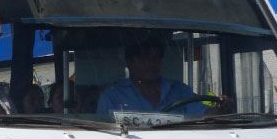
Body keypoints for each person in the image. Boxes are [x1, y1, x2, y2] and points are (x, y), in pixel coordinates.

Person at [96, 38, 230, 116]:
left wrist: (222, 108)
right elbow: (100, 133)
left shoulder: (181, 91)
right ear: (130, 63)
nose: (152, 63)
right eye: (145, 58)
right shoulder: (112, 97)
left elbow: (204, 115)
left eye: (156, 58)